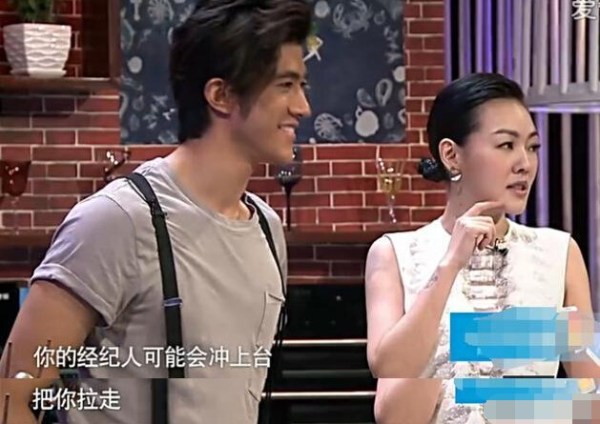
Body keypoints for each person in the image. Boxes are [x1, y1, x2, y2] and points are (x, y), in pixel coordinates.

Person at [0, 0, 312, 423]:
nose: (303, 107)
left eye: (301, 85)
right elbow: (13, 395)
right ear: (220, 95)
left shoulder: (267, 230)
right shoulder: (119, 220)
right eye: (285, 85)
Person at [364, 73, 600, 424]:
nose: (525, 163)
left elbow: (591, 401)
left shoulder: (559, 252)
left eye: (532, 147)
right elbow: (393, 412)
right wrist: (449, 266)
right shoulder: (394, 253)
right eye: (506, 145)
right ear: (451, 155)